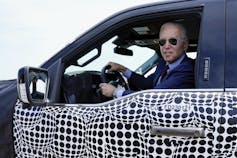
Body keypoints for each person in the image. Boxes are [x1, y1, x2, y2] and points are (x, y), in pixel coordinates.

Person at [99, 22, 195, 98]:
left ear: (185, 45)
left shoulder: (187, 69)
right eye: (162, 42)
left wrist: (116, 92)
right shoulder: (163, 64)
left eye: (173, 41)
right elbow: (147, 83)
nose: (166, 46)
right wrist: (122, 69)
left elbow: (153, 97)